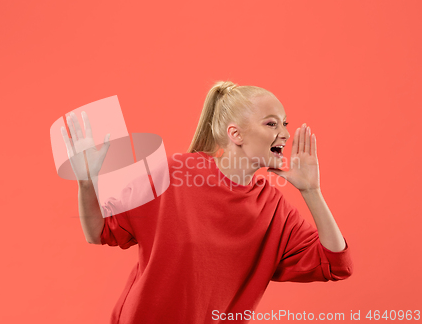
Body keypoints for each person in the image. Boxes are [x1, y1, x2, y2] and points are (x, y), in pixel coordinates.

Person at [61, 81, 353, 324]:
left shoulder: (273, 208)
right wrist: (87, 182)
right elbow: (98, 232)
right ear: (235, 134)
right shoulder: (174, 173)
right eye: (272, 123)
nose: (286, 133)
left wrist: (312, 191)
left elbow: (337, 264)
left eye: (284, 124)